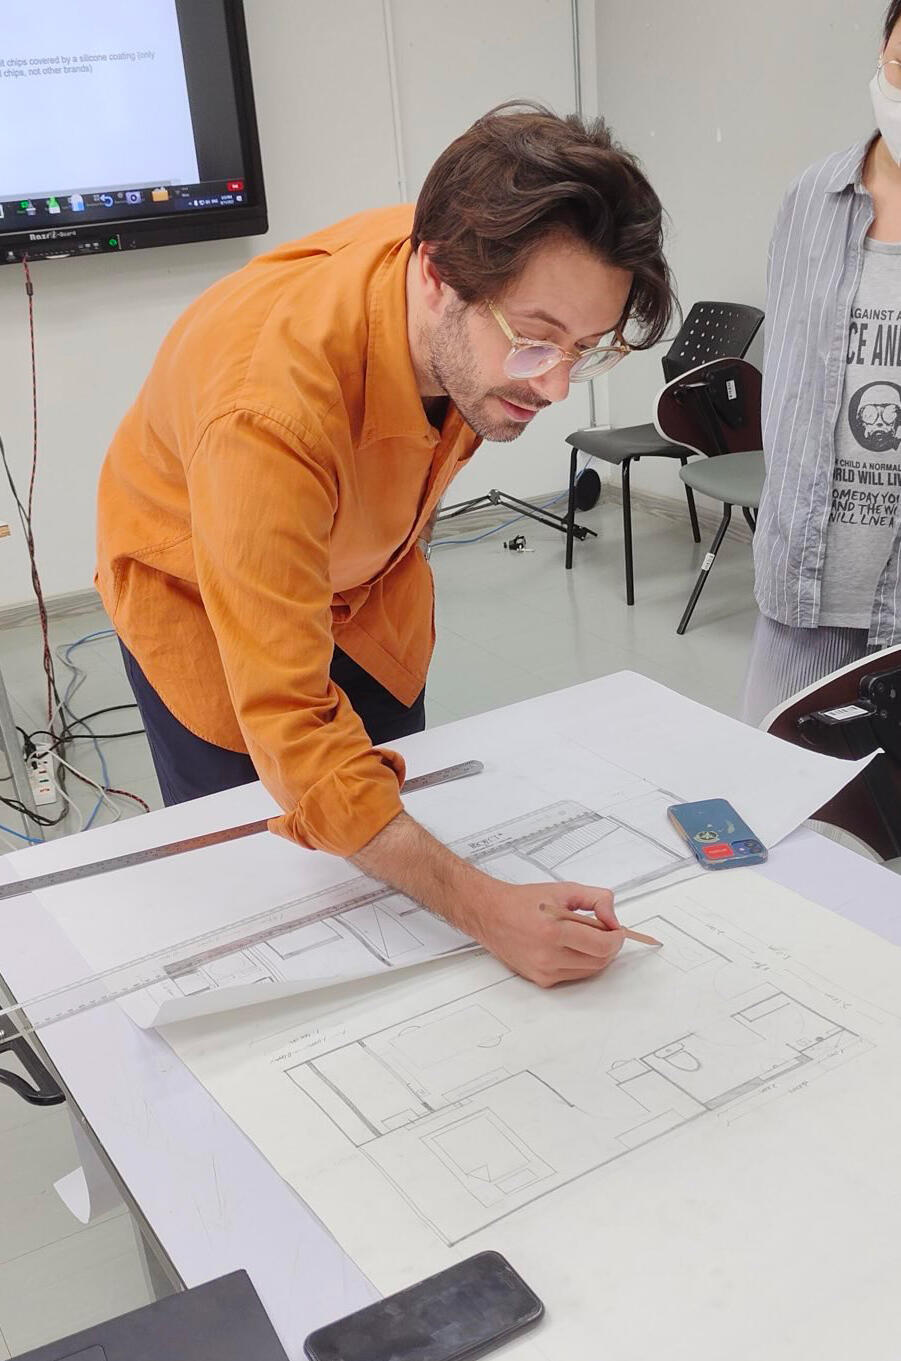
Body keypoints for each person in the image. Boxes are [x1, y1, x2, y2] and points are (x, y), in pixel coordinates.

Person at [96, 104, 674, 987]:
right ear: (436, 276)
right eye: (535, 342)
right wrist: (487, 909)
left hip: (369, 577)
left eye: (587, 349)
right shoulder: (266, 412)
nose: (557, 386)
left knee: (391, 836)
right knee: (265, 897)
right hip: (202, 598)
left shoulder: (470, 278)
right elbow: (292, 723)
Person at [744, 2, 901, 723]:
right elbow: (789, 379)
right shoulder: (811, 198)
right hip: (804, 583)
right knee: (774, 770)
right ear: (882, 54)